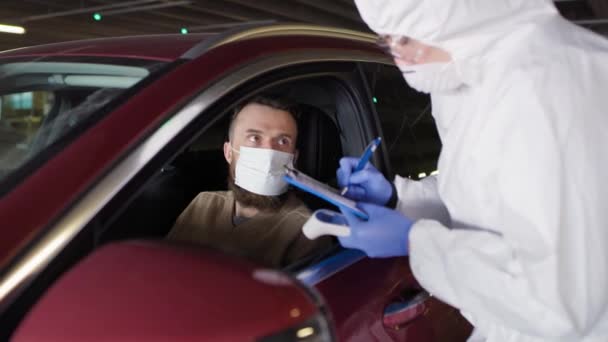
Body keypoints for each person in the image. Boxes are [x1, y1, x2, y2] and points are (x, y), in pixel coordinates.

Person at [337, 0, 608, 341]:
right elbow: (493, 197)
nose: (398, 57)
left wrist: (415, 242)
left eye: (405, 38)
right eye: (387, 40)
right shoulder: (481, 70)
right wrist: (399, 198)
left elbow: (558, 301)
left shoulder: (543, 88)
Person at [168, 96, 332, 268]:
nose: (269, 152)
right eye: (254, 138)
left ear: (294, 158)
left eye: (283, 141)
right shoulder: (204, 203)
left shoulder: (307, 230)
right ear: (228, 153)